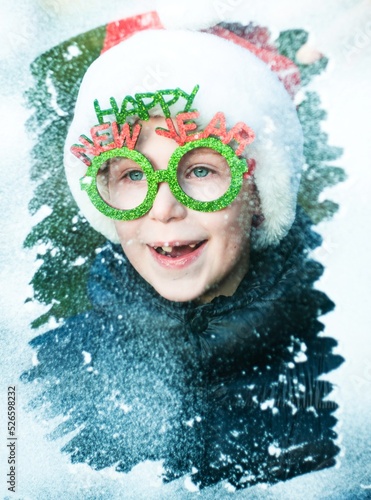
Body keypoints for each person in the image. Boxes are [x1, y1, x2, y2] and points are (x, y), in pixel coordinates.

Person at [22, 25, 343, 490]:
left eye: (198, 169)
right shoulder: (46, 385)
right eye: (133, 174)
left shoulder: (343, 376)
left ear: (259, 197)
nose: (165, 208)